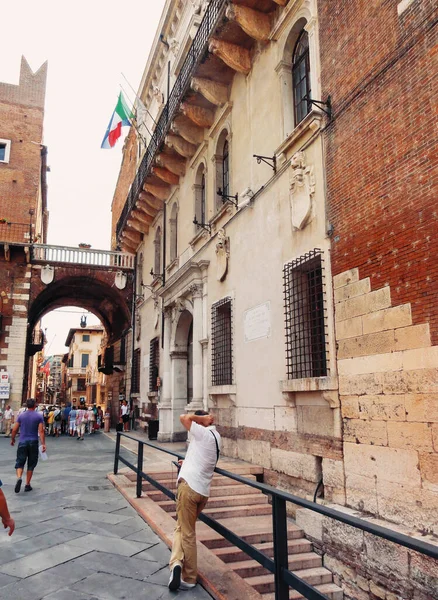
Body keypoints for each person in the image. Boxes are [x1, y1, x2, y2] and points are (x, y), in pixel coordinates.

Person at [168, 410, 221, 591]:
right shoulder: (216, 436)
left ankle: (189, 577)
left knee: (187, 533)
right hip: (202, 491)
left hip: (189, 488)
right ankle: (176, 563)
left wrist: (200, 419)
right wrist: (188, 462)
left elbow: (183, 417)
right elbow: (202, 455)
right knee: (181, 528)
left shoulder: (202, 432)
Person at [10, 398, 46, 493]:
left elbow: (14, 429)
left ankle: (19, 477)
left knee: (20, 462)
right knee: (31, 463)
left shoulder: (21, 416)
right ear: (35, 406)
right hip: (33, 441)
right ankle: (27, 484)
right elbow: (41, 431)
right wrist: (43, 444)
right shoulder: (39, 416)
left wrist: (13, 439)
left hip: (22, 441)